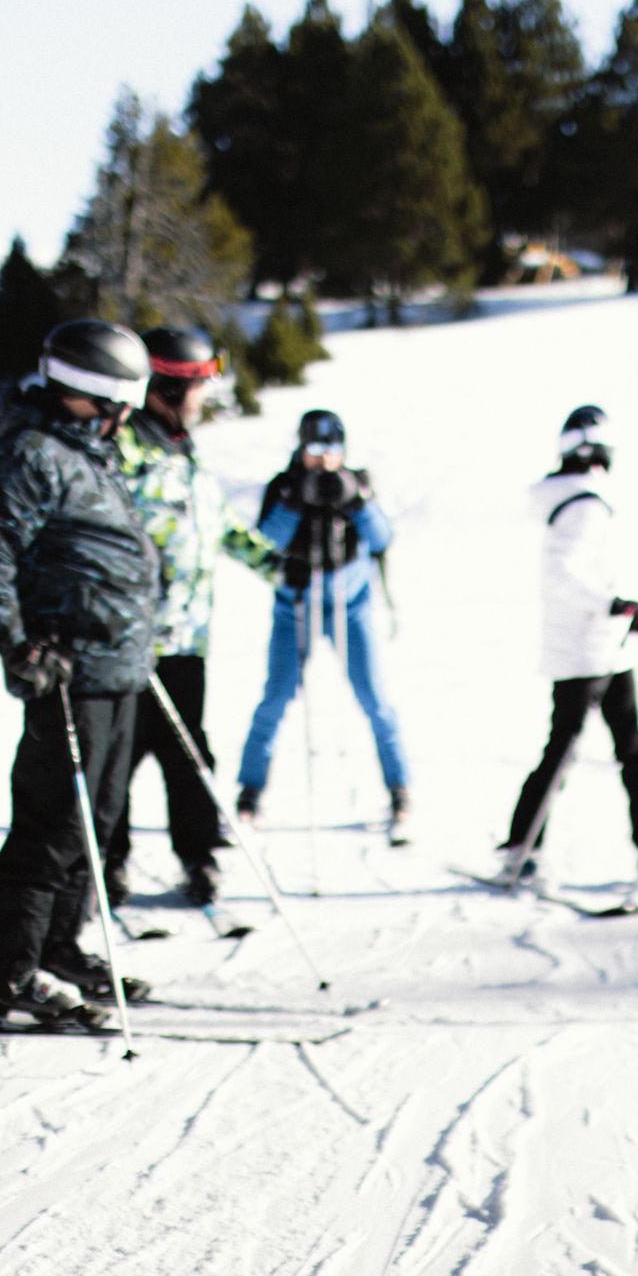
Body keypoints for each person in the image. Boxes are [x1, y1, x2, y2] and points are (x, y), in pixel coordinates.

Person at [0, 320, 162, 1030]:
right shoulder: (32, 454)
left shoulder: (90, 455)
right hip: (68, 670)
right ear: (98, 394)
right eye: (125, 400)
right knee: (52, 827)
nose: (129, 415)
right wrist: (20, 647)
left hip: (118, 667)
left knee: (98, 822)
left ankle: (58, 948)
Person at [106, 326, 279, 908]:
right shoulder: (123, 447)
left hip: (186, 639)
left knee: (190, 755)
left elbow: (218, 525)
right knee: (118, 758)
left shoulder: (184, 451)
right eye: (199, 385)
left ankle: (198, 857)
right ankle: (107, 865)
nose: (205, 397)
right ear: (167, 384)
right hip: (129, 641)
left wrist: (281, 566)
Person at [495, 406, 638, 884]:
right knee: (588, 748)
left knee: (610, 746)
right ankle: (523, 846)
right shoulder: (587, 503)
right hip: (588, 651)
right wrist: (613, 604)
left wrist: (623, 610)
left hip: (600, 647)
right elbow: (561, 573)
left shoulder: (577, 499)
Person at [235, 408, 411, 843]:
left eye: (332, 448)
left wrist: (356, 502)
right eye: (314, 448)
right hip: (293, 606)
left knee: (375, 699)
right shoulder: (284, 484)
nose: (323, 458)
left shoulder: (357, 481)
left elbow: (384, 538)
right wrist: (295, 504)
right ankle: (249, 793)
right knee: (275, 699)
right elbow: (265, 541)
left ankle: (400, 791)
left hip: (350, 606)